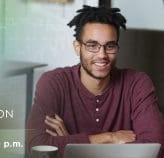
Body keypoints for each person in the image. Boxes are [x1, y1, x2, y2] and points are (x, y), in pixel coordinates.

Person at [27, 5, 164, 158]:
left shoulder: (137, 84)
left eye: (109, 46)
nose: (102, 55)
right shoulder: (53, 83)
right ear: (77, 48)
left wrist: (70, 144)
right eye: (92, 46)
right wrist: (109, 138)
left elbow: (156, 148)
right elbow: (36, 147)